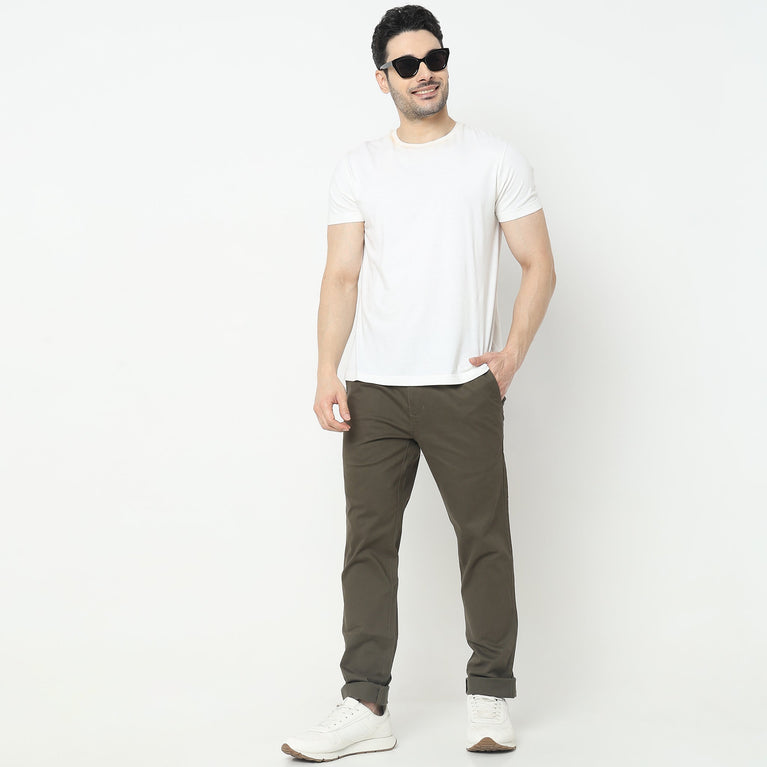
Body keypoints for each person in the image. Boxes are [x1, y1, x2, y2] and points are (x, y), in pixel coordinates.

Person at [281, 4, 556, 761]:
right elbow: (341, 276)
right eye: (406, 64)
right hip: (374, 389)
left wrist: (511, 354)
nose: (424, 72)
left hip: (462, 387)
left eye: (433, 58)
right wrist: (326, 371)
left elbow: (538, 263)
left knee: (483, 542)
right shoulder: (359, 167)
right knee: (367, 546)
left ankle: (489, 694)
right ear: (384, 79)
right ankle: (364, 703)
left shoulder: (493, 159)